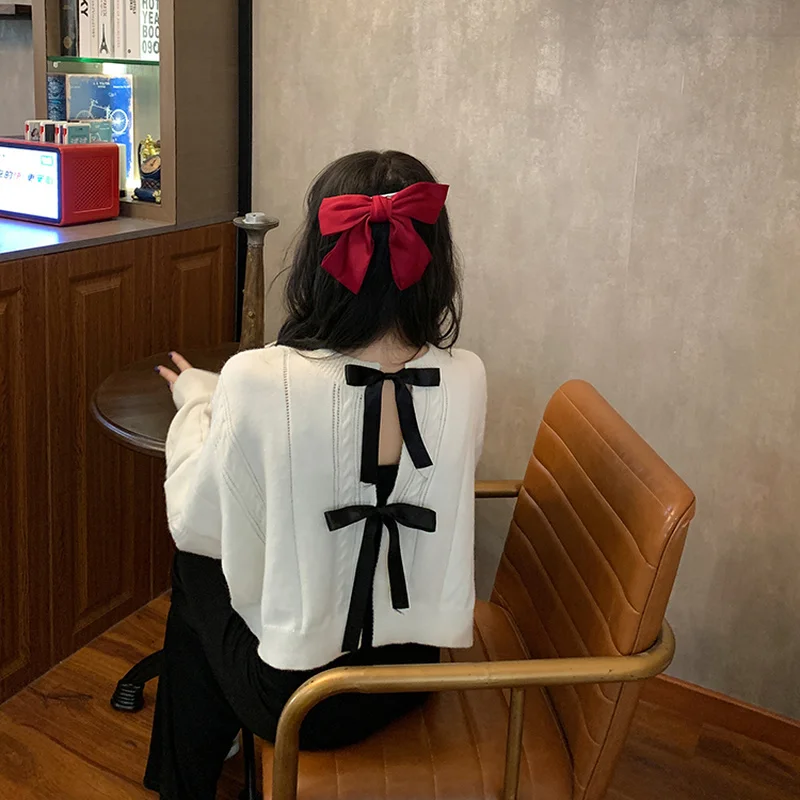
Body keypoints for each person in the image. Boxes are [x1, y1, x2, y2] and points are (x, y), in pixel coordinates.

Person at [145, 150, 487, 800]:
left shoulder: (258, 378)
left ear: (320, 258)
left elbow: (194, 521)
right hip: (414, 672)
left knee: (194, 567)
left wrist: (195, 402)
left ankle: (182, 784)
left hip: (304, 701)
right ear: (433, 261)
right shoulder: (467, 375)